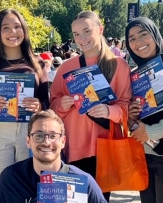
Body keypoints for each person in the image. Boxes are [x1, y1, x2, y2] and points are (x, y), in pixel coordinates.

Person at [49, 11, 132, 202]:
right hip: (72, 149)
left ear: (100, 29)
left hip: (105, 149)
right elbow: (52, 107)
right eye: (76, 34)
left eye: (86, 31)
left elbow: (127, 106)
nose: (81, 38)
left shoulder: (118, 65)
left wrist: (109, 111)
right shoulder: (66, 67)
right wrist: (61, 104)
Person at [0, 8, 49, 187]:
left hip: (29, 129)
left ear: (24, 29)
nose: (12, 32)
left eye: (17, 26)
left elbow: (46, 102)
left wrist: (39, 105)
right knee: (0, 185)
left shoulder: (37, 63)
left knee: (29, 184)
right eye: (5, 28)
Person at [0, 110, 107, 203]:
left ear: (63, 141)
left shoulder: (84, 182)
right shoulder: (11, 178)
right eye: (39, 136)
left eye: (53, 136)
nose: (47, 142)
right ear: (28, 141)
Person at [125, 16, 163, 203]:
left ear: (155, 35)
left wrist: (150, 131)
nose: (138, 42)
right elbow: (138, 118)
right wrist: (132, 116)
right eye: (132, 38)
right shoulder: (136, 74)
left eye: (143, 34)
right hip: (145, 155)